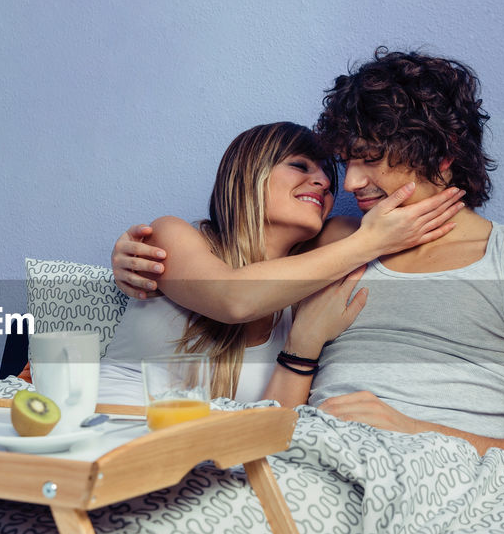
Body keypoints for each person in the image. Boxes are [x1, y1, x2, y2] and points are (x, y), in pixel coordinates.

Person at [113, 49, 504, 490]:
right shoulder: (333, 240)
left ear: (445, 156)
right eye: (346, 161)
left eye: (369, 160)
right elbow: (236, 278)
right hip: (305, 471)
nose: (349, 182)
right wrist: (133, 259)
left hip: (440, 480)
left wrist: (417, 433)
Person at [97, 120, 465, 406]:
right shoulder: (171, 235)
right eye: (300, 165)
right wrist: (371, 240)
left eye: (328, 177)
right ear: (248, 172)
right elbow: (233, 300)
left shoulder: (308, 289)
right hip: (101, 435)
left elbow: (408, 215)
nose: (323, 181)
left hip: (195, 468)